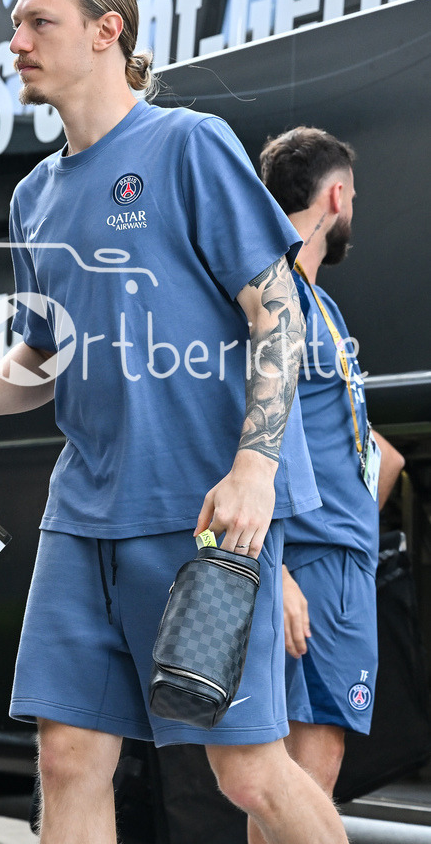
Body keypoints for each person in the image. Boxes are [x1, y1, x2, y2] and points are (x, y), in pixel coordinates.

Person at [0, 0, 349, 844]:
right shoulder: (33, 197)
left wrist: (254, 467)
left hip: (204, 512)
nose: (17, 43)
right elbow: (43, 355)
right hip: (83, 515)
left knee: (246, 770)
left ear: (106, 29)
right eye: (14, 26)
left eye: (38, 22)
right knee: (68, 757)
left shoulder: (187, 145)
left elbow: (280, 314)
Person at [252, 127, 406, 840]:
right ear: (336, 196)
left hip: (336, 559)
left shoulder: (320, 303)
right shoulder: (277, 291)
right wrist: (273, 567)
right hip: (309, 563)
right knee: (301, 776)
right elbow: (244, 429)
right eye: (355, 200)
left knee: (288, 777)